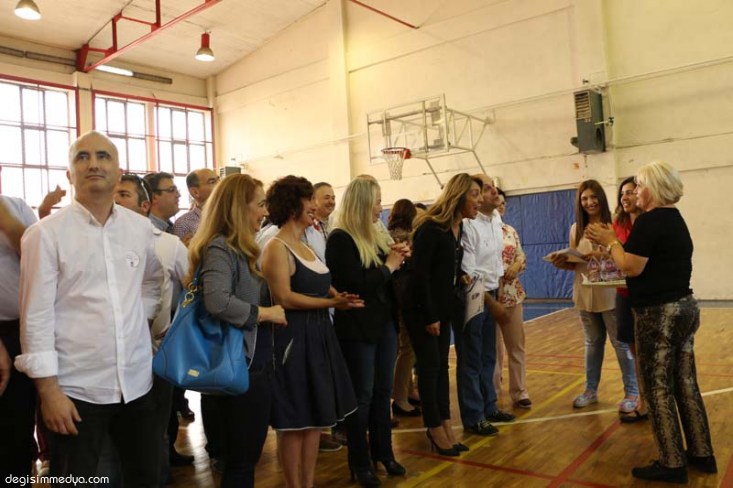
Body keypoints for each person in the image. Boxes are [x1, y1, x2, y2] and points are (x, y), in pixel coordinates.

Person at [15, 130, 164, 485]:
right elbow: (35, 316)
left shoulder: (139, 228)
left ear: (119, 171)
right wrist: (48, 392)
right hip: (76, 389)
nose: (93, 164)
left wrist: (137, 319)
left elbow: (151, 281)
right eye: (82, 157)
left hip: (137, 384)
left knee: (146, 476)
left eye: (103, 156)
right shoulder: (45, 234)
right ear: (70, 174)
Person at [586, 161, 716, 483]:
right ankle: (701, 452)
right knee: (685, 382)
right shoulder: (675, 219)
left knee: (656, 387)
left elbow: (631, 266)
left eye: (640, 186)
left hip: (658, 313)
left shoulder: (650, 221)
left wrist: (611, 241)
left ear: (653, 188)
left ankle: (671, 461)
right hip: (685, 307)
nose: (635, 192)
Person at [187, 173, 286, 488]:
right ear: (238, 207)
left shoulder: (241, 247)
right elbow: (217, 301)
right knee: (242, 461)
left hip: (251, 361)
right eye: (260, 204)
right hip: (240, 364)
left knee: (244, 459)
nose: (265, 212)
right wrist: (265, 313)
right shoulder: (222, 247)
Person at [261, 175, 360, 488]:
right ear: (292, 206)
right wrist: (330, 302)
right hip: (293, 340)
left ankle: (307, 483)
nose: (315, 205)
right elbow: (284, 298)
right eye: (309, 200)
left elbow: (321, 281)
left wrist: (340, 297)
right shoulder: (276, 247)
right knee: (295, 422)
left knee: (315, 419)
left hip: (319, 336)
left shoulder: (305, 244)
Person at [326, 177, 408, 486]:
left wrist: (399, 260)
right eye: (376, 201)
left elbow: (384, 281)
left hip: (383, 323)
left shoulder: (375, 234)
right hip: (357, 328)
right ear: (362, 204)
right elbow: (355, 286)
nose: (380, 207)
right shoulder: (340, 239)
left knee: (382, 393)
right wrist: (389, 266)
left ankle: (384, 453)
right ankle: (360, 462)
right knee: (361, 396)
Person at [114, 173, 190, 485]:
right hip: (106, 359)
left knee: (152, 433)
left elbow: (195, 291)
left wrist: (177, 329)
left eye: (123, 194)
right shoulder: (96, 243)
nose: (115, 200)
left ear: (144, 205)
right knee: (113, 442)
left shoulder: (169, 244)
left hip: (155, 354)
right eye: (114, 194)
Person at [404, 173, 482, 457]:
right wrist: (429, 316)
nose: (479, 200)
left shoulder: (457, 229)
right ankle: (434, 427)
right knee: (429, 368)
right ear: (458, 196)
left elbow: (444, 268)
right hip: (423, 310)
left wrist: (459, 276)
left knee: (441, 368)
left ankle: (446, 424)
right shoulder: (430, 228)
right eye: (474, 194)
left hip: (443, 307)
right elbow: (420, 276)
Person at [550, 179, 638, 411]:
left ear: (601, 197)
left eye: (593, 197)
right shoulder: (575, 229)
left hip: (610, 294)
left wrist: (602, 254)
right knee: (592, 343)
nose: (589, 202)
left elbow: (624, 259)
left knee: (621, 344)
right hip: (584, 293)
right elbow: (576, 262)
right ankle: (590, 390)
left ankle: (632, 393)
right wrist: (563, 262)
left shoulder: (615, 224)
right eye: (584, 198)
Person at [457, 175, 516, 437]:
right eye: (487, 188)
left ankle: (489, 407)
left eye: (493, 187)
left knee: (488, 356)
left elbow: (495, 264)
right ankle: (473, 416)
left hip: (491, 292)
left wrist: (498, 293)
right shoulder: (468, 225)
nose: (494, 192)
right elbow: (469, 273)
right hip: (473, 295)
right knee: (472, 357)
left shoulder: (496, 219)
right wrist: (492, 304)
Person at [0, 194, 37, 486]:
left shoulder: (16, 206)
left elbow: (37, 259)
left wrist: (7, 220)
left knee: (17, 426)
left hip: (19, 332)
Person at [610, 177, 647, 423]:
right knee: (634, 350)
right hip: (623, 294)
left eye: (631, 192)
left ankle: (655, 401)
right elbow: (612, 257)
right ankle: (643, 401)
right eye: (622, 193)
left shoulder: (648, 223)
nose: (625, 197)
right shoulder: (617, 224)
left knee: (648, 351)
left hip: (646, 294)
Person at [493, 188, 531, 408]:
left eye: (503, 203)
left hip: (512, 295)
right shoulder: (477, 229)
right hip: (489, 297)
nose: (500, 206)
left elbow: (520, 255)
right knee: (492, 349)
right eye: (496, 202)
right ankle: (492, 391)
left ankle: (519, 391)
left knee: (516, 346)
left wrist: (516, 265)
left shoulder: (510, 230)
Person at [387, 199, 421, 417]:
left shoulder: (390, 234)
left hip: (397, 296)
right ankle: (400, 397)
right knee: (407, 348)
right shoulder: (405, 237)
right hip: (404, 297)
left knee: (405, 347)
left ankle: (407, 391)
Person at [172, 168, 219, 245]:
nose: (220, 184)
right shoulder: (183, 224)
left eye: (219, 180)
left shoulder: (230, 215)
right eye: (212, 182)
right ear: (195, 192)